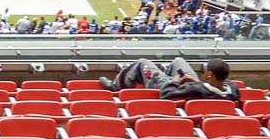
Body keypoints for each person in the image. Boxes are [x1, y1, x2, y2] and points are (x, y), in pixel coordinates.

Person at [99, 56, 239, 102]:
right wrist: (198, 83)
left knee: (142, 63)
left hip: (170, 87)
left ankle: (115, 86)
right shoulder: (232, 89)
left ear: (209, 75)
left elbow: (166, 94)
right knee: (179, 61)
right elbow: (212, 90)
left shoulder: (195, 89)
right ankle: (167, 75)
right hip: (198, 86)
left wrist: (176, 81)